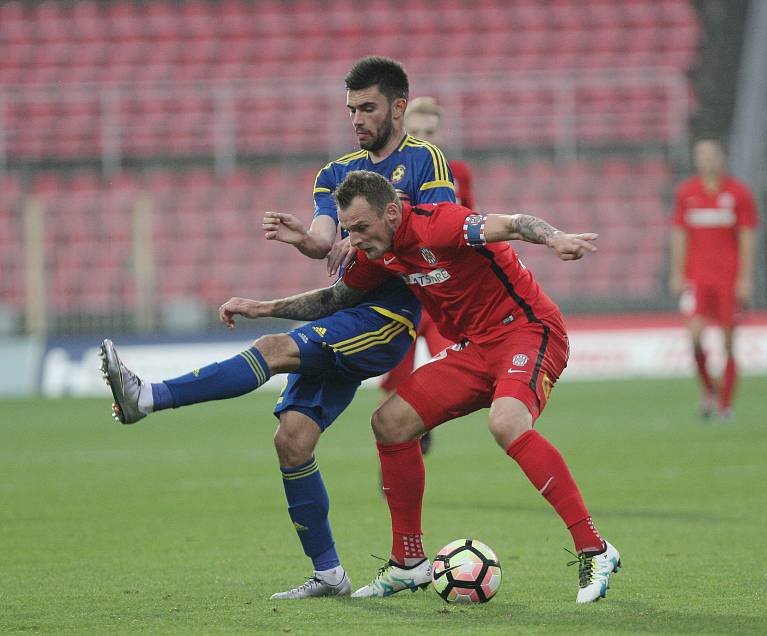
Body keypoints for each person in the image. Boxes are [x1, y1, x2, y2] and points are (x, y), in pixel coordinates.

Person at [102, 56, 456, 601]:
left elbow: (440, 234)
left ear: (398, 107)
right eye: (350, 110)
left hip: (384, 320)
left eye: (368, 108)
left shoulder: (425, 161)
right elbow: (322, 239)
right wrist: (303, 238)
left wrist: (373, 240)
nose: (357, 118)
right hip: (341, 313)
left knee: (273, 347)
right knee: (291, 441)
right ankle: (330, 574)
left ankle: (147, 396)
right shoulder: (336, 173)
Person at [324, 170, 620, 604]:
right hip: (475, 349)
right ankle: (408, 562)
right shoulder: (380, 252)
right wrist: (263, 309)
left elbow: (515, 222)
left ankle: (594, 549)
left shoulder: (440, 223)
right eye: (348, 230)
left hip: (529, 331)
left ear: (390, 214)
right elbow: (332, 299)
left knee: (506, 423)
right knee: (390, 422)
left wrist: (553, 237)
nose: (354, 239)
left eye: (360, 228)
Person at [375, 97, 476, 456]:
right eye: (415, 132)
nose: (423, 139)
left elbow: (469, 220)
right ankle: (400, 449)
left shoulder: (457, 172)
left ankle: (424, 421)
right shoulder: (385, 176)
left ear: (440, 134)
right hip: (403, 290)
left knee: (453, 366)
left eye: (429, 132)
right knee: (396, 378)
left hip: (443, 290)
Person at [670, 139, 758, 421]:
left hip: (727, 279)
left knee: (729, 342)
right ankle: (710, 389)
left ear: (721, 158)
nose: (705, 160)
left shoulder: (738, 193)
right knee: (694, 338)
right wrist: (678, 272)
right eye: (700, 155)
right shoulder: (687, 193)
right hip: (698, 278)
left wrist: (744, 277)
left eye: (710, 155)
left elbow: (746, 237)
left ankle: (725, 404)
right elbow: (680, 233)